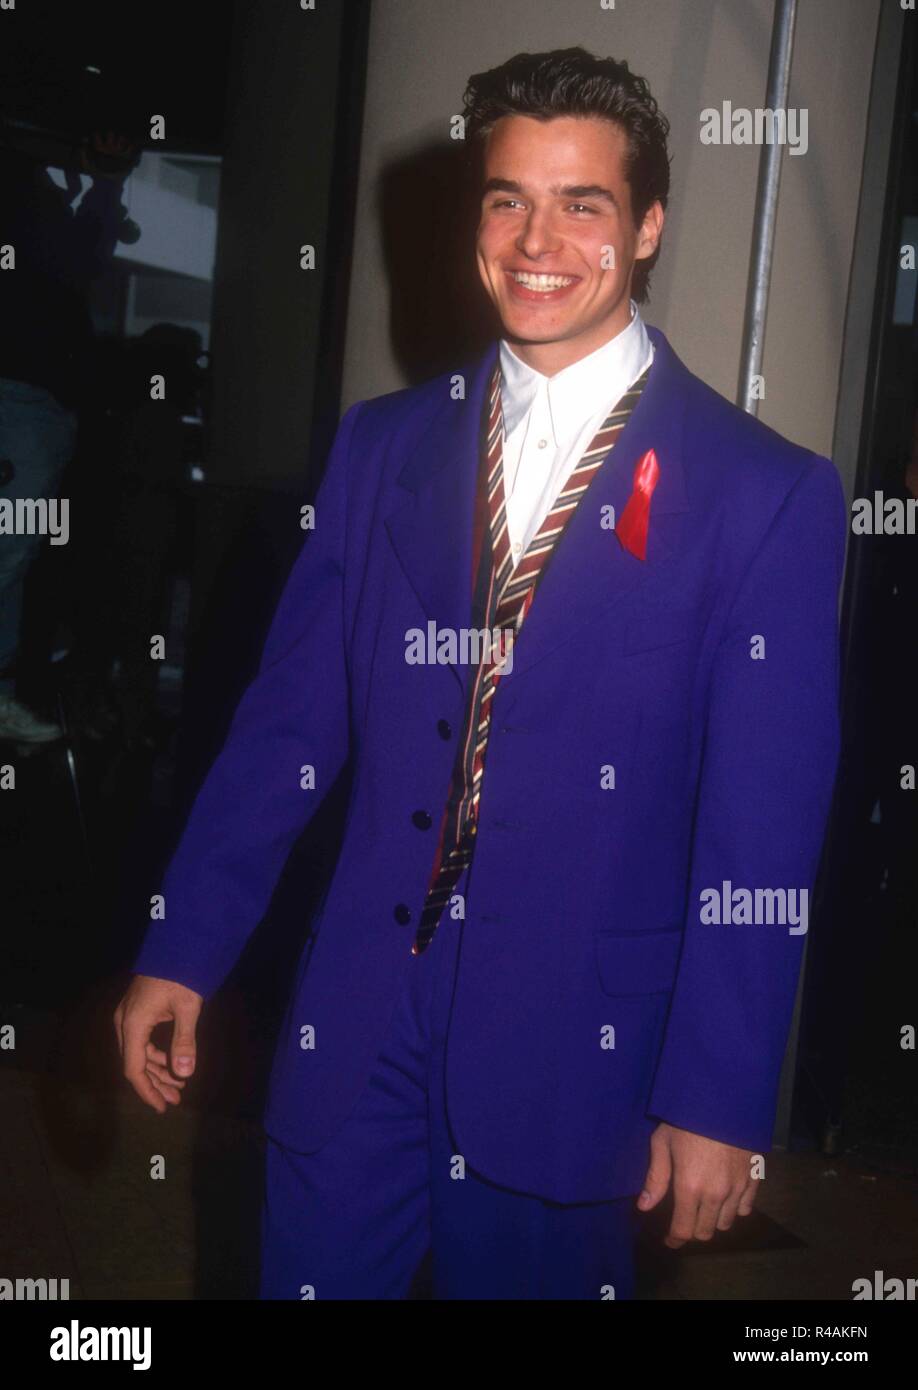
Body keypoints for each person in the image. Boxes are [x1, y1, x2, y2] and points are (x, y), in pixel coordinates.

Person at [115, 49, 847, 1300]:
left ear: (650, 224)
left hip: (574, 1056)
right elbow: (291, 719)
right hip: (356, 1024)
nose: (537, 238)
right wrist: (184, 943)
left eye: (584, 204)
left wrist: (718, 1093)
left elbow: (759, 838)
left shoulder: (764, 495)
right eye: (509, 198)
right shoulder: (383, 446)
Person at [0, 133, 131, 744]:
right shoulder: (23, 186)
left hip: (33, 395)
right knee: (13, 551)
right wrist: (103, 183)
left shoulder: (32, 188)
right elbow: (75, 263)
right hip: (23, 395)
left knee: (17, 553)